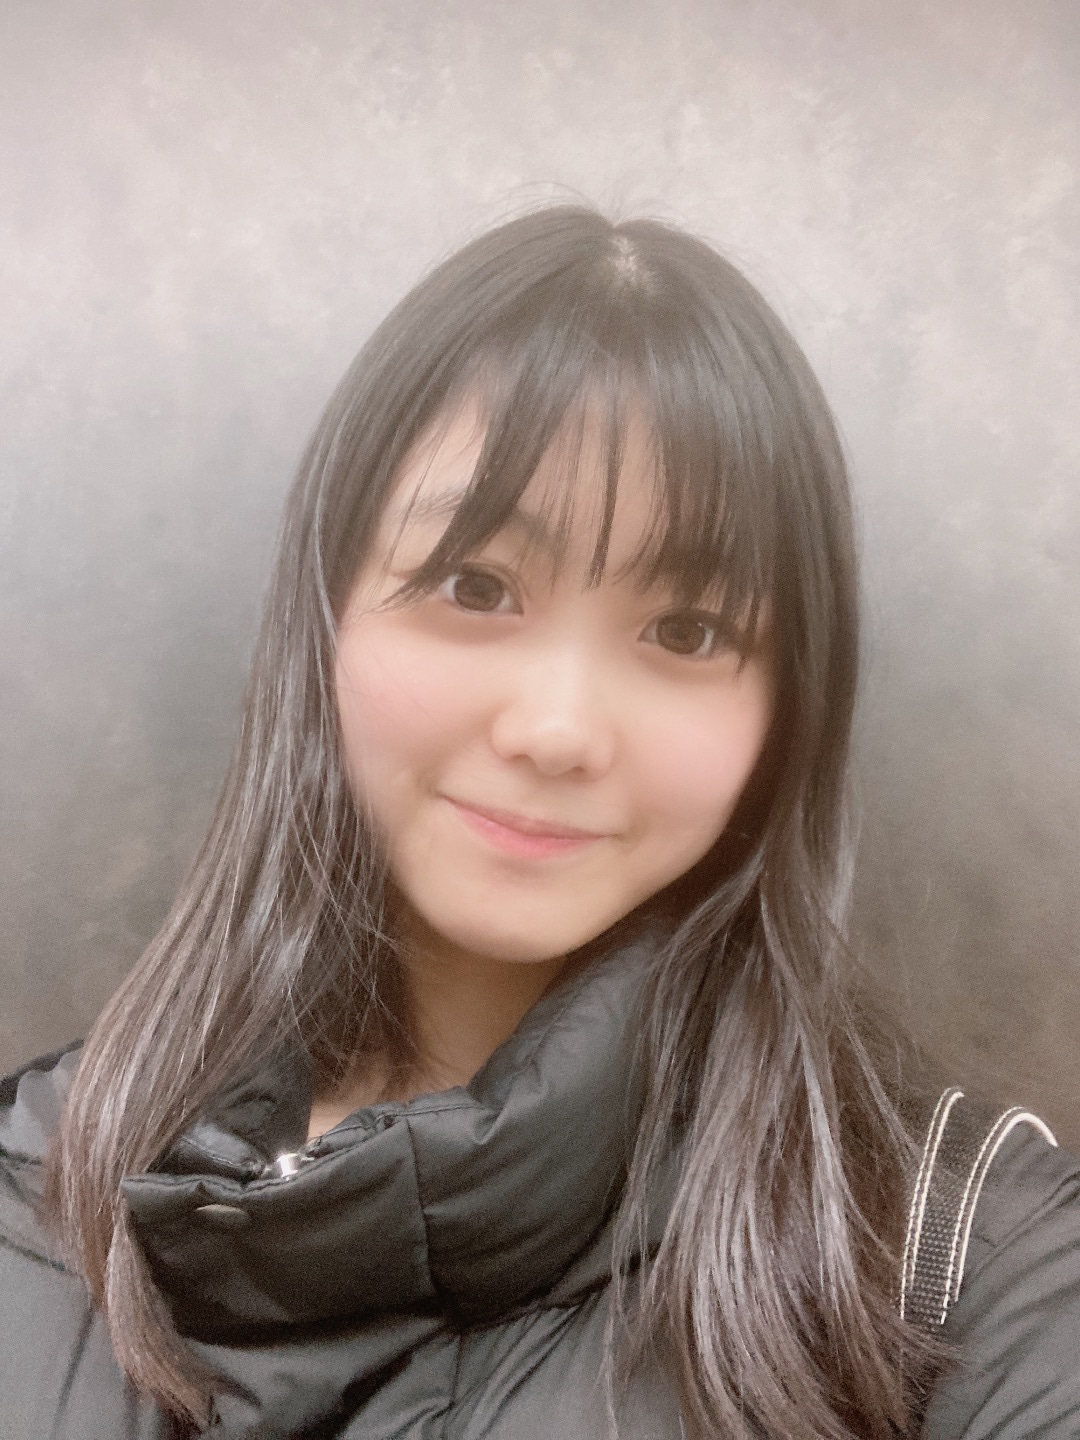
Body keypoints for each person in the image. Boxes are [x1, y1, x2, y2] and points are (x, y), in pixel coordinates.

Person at [1, 207, 1078, 1440]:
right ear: (325, 616)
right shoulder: (31, 1185)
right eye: (476, 585)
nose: (558, 729)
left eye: (687, 631)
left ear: (788, 710)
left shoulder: (964, 1265)